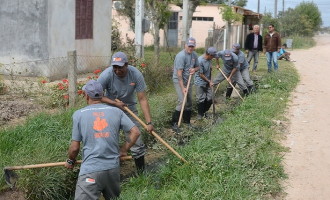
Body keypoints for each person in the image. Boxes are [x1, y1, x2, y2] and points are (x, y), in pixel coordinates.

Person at [65, 80, 140, 200]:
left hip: (90, 171)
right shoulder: (116, 111)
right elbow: (136, 132)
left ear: (87, 96)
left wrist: (70, 161)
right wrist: (124, 149)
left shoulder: (79, 114)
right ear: (102, 95)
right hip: (112, 170)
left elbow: (74, 148)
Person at [97, 51, 153, 173]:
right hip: (110, 109)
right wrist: (115, 103)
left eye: (120, 67)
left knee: (136, 139)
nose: (117, 70)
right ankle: (111, 171)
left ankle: (141, 173)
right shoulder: (106, 75)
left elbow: (142, 99)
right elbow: (97, 96)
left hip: (129, 109)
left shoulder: (135, 74)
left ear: (126, 65)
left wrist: (149, 122)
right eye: (115, 67)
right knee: (110, 139)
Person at [171, 37, 199, 130]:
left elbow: (198, 67)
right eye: (189, 46)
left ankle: (187, 122)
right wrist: (183, 88)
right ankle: (174, 123)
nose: (191, 48)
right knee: (182, 100)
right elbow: (179, 74)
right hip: (179, 80)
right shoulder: (181, 56)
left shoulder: (194, 55)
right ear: (185, 45)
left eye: (192, 46)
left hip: (188, 80)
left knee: (189, 101)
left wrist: (194, 69)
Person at [194, 47, 219, 119]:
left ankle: (204, 112)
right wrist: (209, 81)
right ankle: (200, 115)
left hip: (208, 81)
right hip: (200, 82)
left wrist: (213, 66)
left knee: (210, 98)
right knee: (201, 98)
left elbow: (216, 57)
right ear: (209, 55)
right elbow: (201, 74)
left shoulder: (209, 59)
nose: (213, 57)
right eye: (213, 56)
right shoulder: (200, 61)